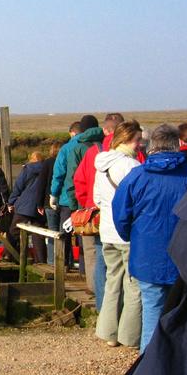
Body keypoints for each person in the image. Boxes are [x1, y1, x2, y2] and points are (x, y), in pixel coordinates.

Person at [101, 182, 187, 375]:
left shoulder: (137, 175)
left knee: (144, 303)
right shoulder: (186, 175)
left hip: (147, 251)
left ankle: (142, 355)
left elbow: (121, 212)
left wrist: (128, 235)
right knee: (141, 302)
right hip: (174, 261)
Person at [112, 124, 187, 352]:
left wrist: (133, 238)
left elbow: (120, 215)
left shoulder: (136, 176)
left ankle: (148, 370)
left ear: (151, 146)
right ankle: (176, 370)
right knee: (182, 318)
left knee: (151, 312)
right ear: (177, 145)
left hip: (147, 255)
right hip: (185, 259)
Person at [93, 121, 142, 348]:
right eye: (137, 140)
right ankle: (130, 336)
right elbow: (138, 200)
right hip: (127, 232)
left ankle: (108, 333)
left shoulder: (101, 165)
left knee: (113, 281)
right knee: (133, 285)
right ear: (128, 139)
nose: (140, 144)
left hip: (107, 231)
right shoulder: (132, 165)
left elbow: (96, 199)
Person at [69, 115, 106, 308]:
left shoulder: (75, 148)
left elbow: (78, 180)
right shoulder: (117, 150)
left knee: (93, 250)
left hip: (91, 208)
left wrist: (83, 205)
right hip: (116, 210)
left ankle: (95, 290)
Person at [49, 121, 82, 268]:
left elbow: (59, 174)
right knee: (84, 234)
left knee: (65, 233)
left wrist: (53, 194)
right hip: (86, 200)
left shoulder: (66, 149)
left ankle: (64, 265)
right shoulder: (94, 147)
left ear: (72, 132)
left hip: (67, 199)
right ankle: (84, 267)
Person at [7, 151, 46, 263]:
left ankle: (9, 255)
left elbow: (18, 187)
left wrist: (11, 202)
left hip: (25, 205)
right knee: (38, 234)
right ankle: (41, 260)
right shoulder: (47, 169)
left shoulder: (27, 169)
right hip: (40, 205)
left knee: (13, 231)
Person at [36, 141, 63, 265]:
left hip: (48, 201)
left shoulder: (47, 163)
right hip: (64, 201)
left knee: (52, 231)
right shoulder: (64, 161)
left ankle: (52, 262)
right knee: (63, 233)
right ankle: (64, 262)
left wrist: (39, 204)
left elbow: (41, 184)